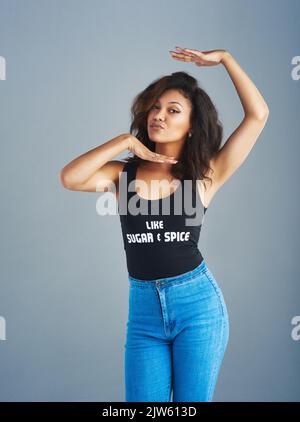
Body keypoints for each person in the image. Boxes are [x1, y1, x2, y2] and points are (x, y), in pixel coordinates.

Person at [60, 47, 269, 402]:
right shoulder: (122, 174)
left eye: (173, 111)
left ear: (192, 126)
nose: (159, 115)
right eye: (155, 108)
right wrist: (123, 142)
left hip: (198, 308)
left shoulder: (206, 174)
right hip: (143, 314)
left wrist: (227, 60)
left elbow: (257, 115)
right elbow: (70, 177)